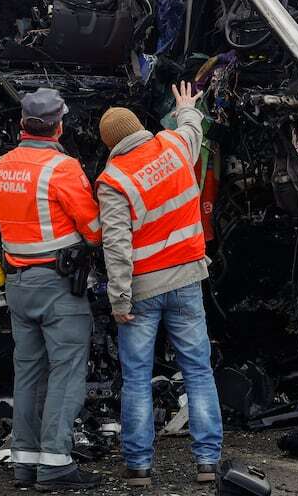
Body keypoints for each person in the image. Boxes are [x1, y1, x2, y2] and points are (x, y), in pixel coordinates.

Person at [96, 83, 223, 487]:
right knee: (198, 372)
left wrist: (119, 299)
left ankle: (139, 468)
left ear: (110, 144)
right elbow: (193, 130)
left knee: (136, 377)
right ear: (139, 127)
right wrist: (187, 107)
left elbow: (116, 247)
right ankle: (207, 463)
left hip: (143, 290)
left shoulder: (113, 179)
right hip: (187, 279)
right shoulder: (173, 145)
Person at [0, 88, 104, 492]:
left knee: (29, 373)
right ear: (59, 125)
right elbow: (93, 229)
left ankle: (25, 462)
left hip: (17, 284)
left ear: (22, 124)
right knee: (66, 372)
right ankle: (54, 464)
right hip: (57, 286)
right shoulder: (63, 168)